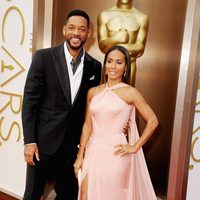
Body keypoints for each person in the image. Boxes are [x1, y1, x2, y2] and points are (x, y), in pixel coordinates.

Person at [22, 9, 102, 200]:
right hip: (42, 144)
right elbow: (30, 101)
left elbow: (92, 106)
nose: (76, 33)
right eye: (72, 28)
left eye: (82, 29)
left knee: (67, 195)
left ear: (88, 34)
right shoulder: (44, 57)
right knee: (33, 194)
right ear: (64, 30)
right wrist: (30, 141)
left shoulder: (95, 66)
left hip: (71, 147)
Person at [74, 45, 158, 200]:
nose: (113, 66)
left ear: (126, 67)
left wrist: (135, 147)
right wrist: (80, 155)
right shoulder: (93, 92)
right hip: (92, 151)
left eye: (119, 62)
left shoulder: (131, 93)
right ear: (105, 64)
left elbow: (153, 121)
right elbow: (87, 125)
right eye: (110, 61)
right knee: (86, 194)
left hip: (116, 153)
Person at [97, 0, 149, 85]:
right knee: (106, 95)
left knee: (127, 96)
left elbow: (140, 49)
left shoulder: (142, 18)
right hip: (109, 67)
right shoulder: (105, 15)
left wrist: (117, 44)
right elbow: (102, 46)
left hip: (129, 67)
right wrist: (116, 38)